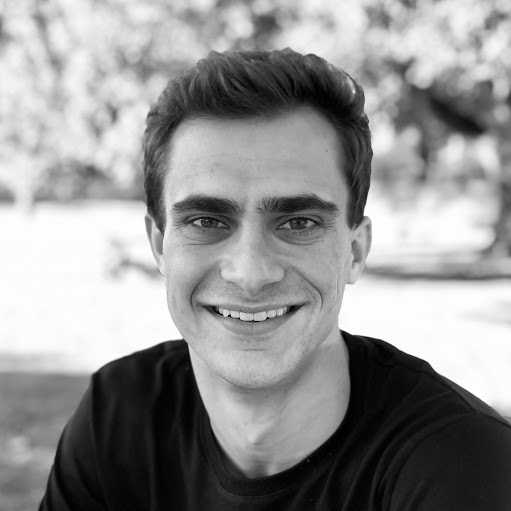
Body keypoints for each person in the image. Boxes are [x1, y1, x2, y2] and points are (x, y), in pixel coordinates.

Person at [39, 48, 511, 510]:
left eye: (298, 222)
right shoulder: (119, 415)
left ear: (355, 250)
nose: (250, 274)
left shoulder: (461, 465)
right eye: (206, 221)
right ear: (160, 246)